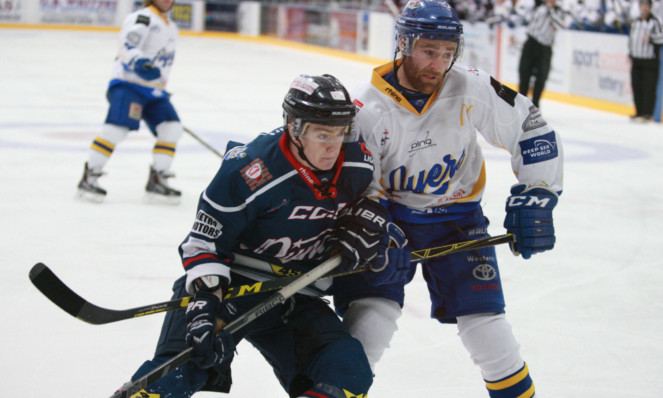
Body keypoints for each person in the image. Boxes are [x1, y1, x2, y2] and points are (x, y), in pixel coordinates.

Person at [117, 74, 411, 398]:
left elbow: (372, 203)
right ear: (294, 127)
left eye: (340, 133)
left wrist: (374, 222)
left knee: (347, 371)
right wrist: (206, 301)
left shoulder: (358, 162)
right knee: (177, 371)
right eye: (322, 134)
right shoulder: (248, 170)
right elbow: (204, 243)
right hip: (234, 286)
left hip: (296, 295)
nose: (333, 147)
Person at [331, 1, 564, 397]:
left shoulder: (469, 85)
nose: (438, 63)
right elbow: (352, 185)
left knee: (487, 327)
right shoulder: (366, 108)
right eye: (428, 51)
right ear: (403, 44)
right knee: (370, 322)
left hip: (457, 218)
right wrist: (366, 220)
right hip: (389, 222)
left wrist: (538, 190)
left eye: (446, 53)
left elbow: (530, 128)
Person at [77, 0, 183, 204]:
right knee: (115, 130)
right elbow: (127, 46)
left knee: (172, 129)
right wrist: (138, 62)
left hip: (154, 91)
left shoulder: (170, 25)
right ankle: (90, 176)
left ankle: (157, 180)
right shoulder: (143, 18)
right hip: (129, 86)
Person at [517, 0, 566, 108]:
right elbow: (524, 17)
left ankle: (535, 106)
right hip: (531, 42)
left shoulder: (558, 10)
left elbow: (559, 25)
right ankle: (521, 104)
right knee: (524, 73)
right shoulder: (537, 5)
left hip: (544, 47)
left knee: (541, 77)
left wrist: (550, 9)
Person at [628, 0, 663, 122]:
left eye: (647, 6)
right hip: (636, 58)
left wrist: (651, 38)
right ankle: (638, 111)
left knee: (648, 87)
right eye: (642, 5)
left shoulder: (655, 21)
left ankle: (647, 113)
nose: (644, 8)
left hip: (650, 60)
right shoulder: (636, 21)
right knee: (636, 85)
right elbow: (632, 38)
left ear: (650, 7)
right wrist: (630, 52)